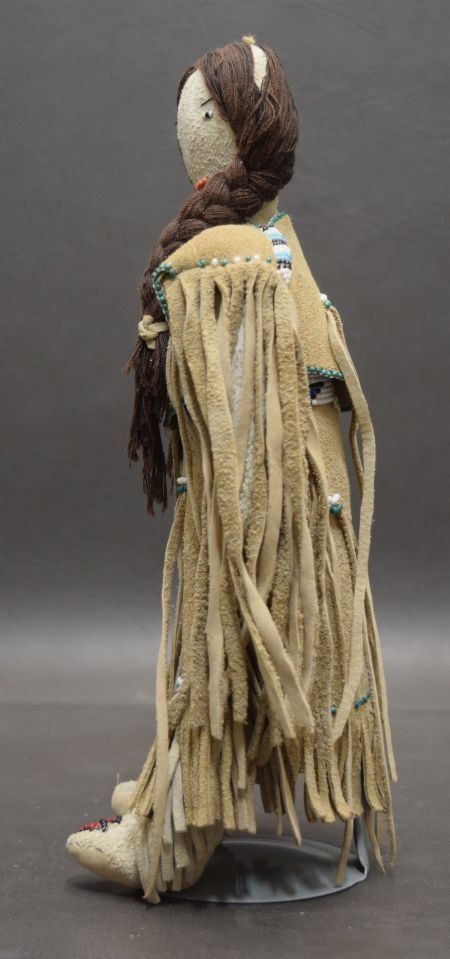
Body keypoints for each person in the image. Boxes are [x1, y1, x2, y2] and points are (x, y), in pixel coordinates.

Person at [66, 36, 397, 904]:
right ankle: (176, 778)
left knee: (225, 648)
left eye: (199, 114)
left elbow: (244, 394)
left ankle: (171, 837)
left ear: (219, 129)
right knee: (243, 657)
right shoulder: (271, 241)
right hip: (299, 496)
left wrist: (239, 523)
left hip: (260, 508)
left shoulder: (232, 260)